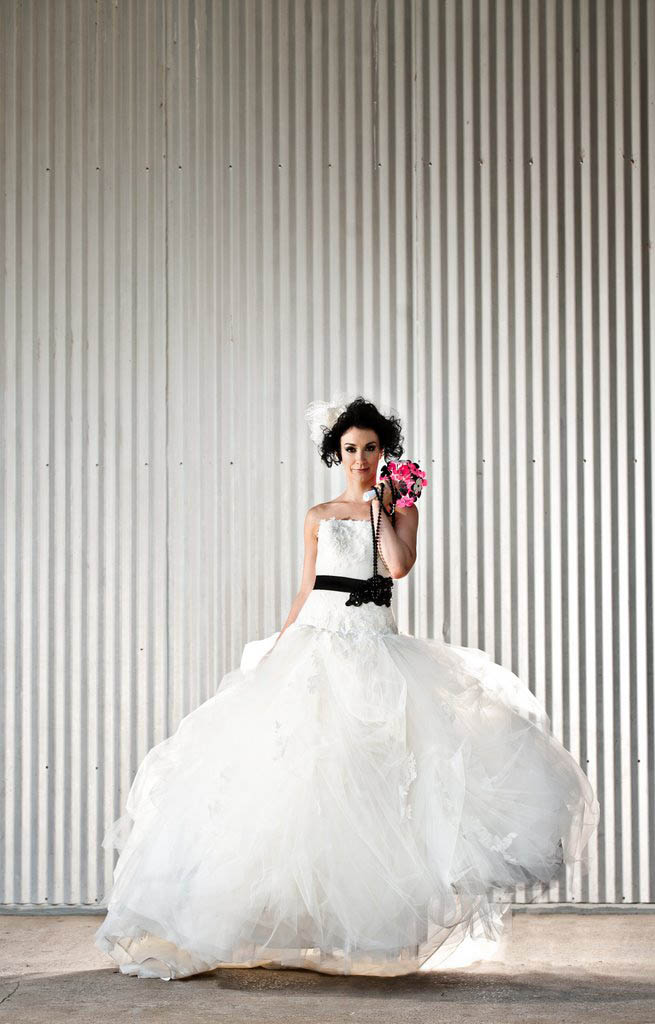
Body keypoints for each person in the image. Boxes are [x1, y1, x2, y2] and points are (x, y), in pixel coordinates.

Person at [94, 394, 600, 980]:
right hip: (316, 647)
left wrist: (382, 507)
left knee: (372, 784)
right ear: (337, 452)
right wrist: (278, 650)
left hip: (375, 654)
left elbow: (399, 566)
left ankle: (362, 935)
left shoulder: (401, 508)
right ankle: (287, 925)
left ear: (385, 453)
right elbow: (306, 589)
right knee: (298, 779)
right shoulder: (317, 515)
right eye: (351, 448)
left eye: (371, 448)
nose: (360, 458)